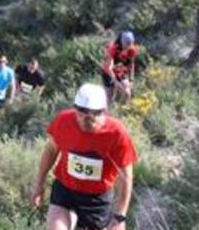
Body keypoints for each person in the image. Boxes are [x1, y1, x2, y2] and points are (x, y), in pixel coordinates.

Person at [30, 84, 138, 230]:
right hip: (65, 190)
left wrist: (120, 216)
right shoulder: (64, 121)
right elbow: (50, 151)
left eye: (95, 113)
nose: (89, 117)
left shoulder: (117, 133)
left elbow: (126, 176)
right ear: (75, 108)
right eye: (82, 111)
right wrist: (39, 183)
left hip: (97, 199)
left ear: (104, 111)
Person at [101, 31, 139, 106]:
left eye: (131, 43)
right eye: (127, 43)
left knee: (127, 92)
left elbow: (131, 64)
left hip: (120, 71)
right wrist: (116, 82)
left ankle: (123, 110)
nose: (129, 45)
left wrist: (131, 79)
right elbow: (109, 68)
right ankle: (108, 113)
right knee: (109, 97)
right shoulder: (114, 49)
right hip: (108, 73)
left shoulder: (132, 49)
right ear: (122, 42)